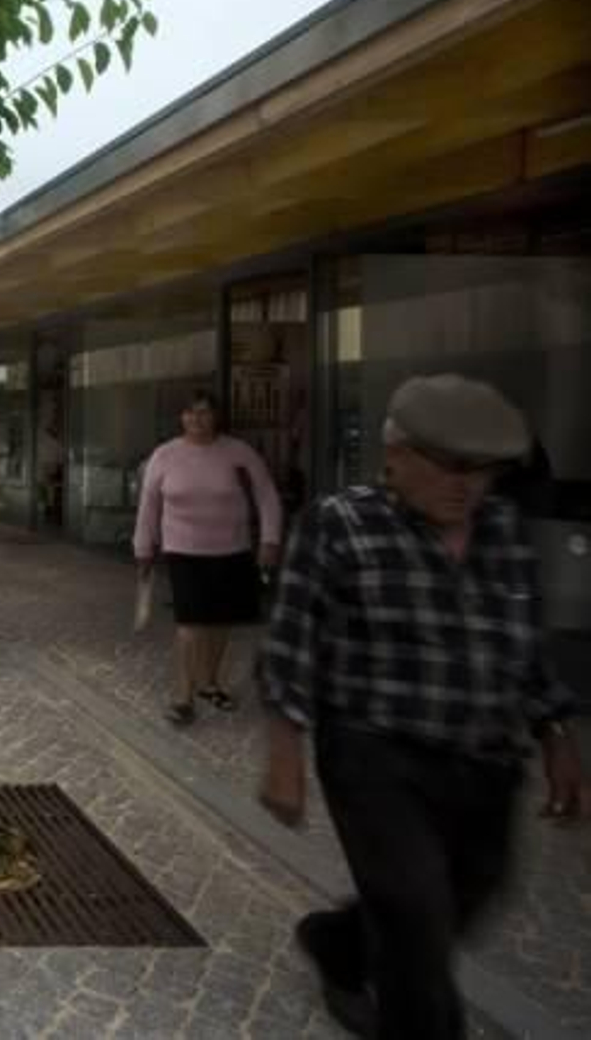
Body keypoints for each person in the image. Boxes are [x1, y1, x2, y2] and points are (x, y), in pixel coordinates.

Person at [259, 374, 582, 1040]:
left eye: (480, 468)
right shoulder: (340, 522)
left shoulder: (502, 530)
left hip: (485, 757)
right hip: (374, 750)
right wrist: (284, 750)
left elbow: (523, 643)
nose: (465, 484)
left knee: (470, 891)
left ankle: (341, 943)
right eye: (448, 464)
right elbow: (292, 637)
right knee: (414, 909)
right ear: (397, 454)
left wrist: (555, 732)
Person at [134, 390, 281, 726]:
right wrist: (143, 547)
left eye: (204, 412)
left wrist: (270, 539)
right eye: (190, 412)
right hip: (183, 552)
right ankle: (183, 698)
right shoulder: (165, 455)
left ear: (216, 416)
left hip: (232, 550)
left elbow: (266, 494)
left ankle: (210, 683)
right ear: (181, 417)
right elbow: (149, 505)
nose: (196, 419)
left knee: (220, 622)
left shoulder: (238, 451)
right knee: (190, 624)